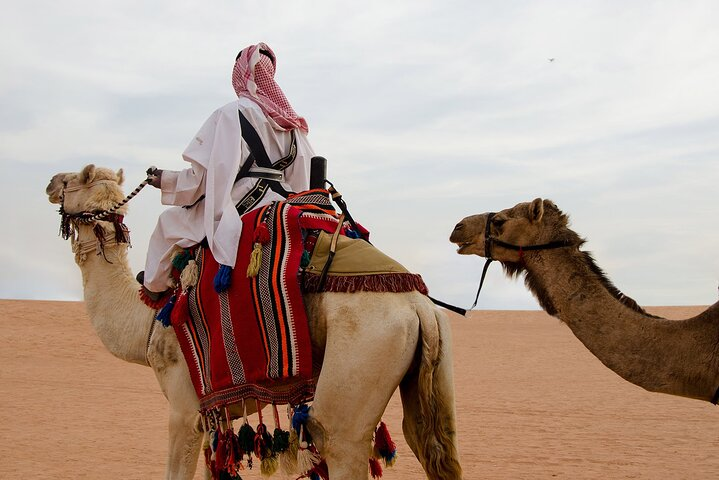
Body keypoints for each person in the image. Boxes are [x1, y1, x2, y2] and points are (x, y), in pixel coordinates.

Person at [141, 42, 314, 297]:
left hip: (240, 203)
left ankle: (154, 287)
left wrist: (166, 180)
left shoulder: (231, 113)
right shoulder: (292, 123)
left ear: (240, 74)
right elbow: (303, 177)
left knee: (168, 222)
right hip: (285, 201)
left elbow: (204, 179)